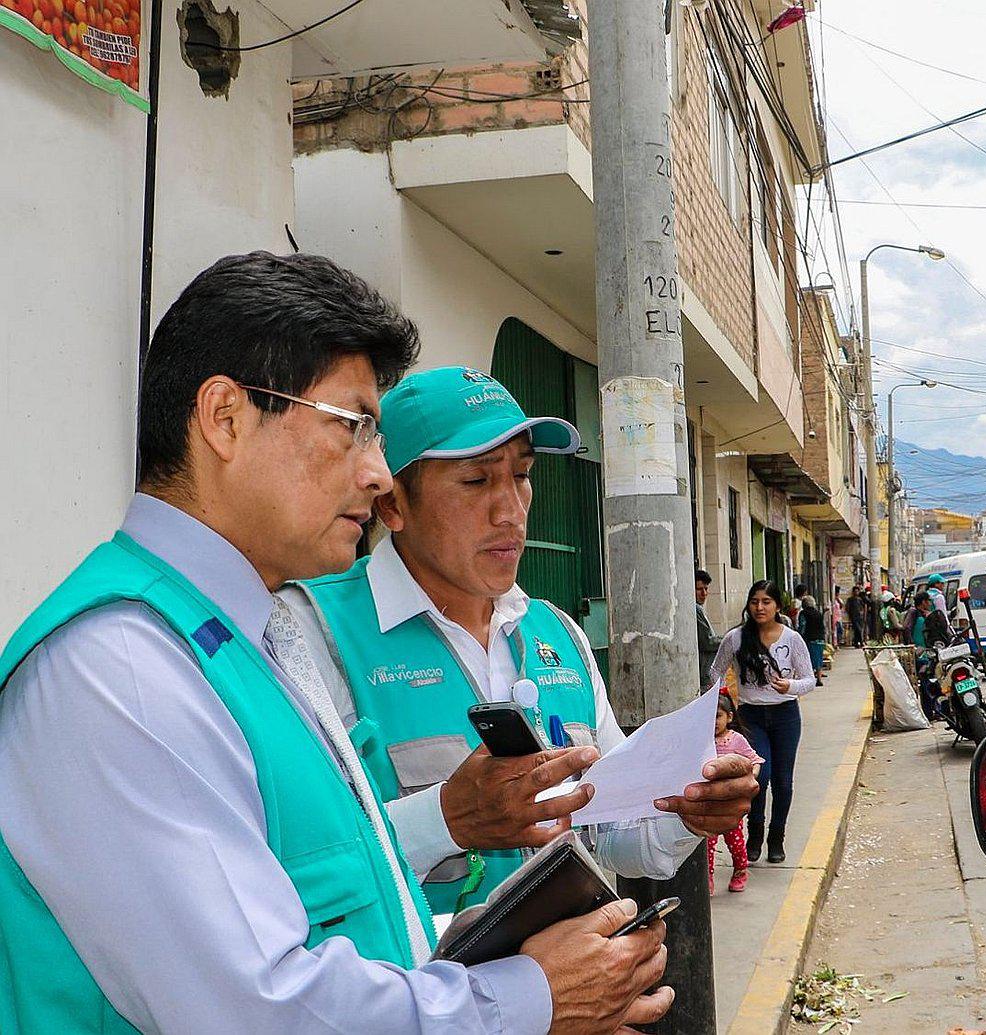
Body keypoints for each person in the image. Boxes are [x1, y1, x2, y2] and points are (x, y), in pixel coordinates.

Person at [0, 253, 669, 1032]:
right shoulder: (122, 669)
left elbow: (357, 920)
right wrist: (528, 999)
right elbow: (256, 1009)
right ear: (225, 418)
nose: (379, 475)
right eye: (354, 428)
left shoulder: (253, 635)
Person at [279, 366, 759, 913]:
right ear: (392, 504)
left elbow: (619, 833)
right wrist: (446, 820)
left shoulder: (558, 635)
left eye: (522, 476)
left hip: (574, 991)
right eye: (477, 481)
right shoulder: (309, 632)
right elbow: (296, 868)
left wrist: (690, 810)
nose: (510, 510)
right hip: (421, 994)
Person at [707, 581, 818, 864]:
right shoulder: (736, 638)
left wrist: (789, 686)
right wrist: (725, 704)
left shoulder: (792, 639)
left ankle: (776, 837)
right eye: (755, 601)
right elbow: (715, 672)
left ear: (778, 606)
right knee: (759, 776)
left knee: (783, 781)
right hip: (750, 717)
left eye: (766, 601)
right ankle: (753, 836)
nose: (760, 607)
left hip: (786, 716)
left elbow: (810, 680)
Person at [706, 693, 764, 894]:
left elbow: (755, 760)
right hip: (709, 803)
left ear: (729, 717)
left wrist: (750, 777)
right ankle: (708, 879)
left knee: (735, 840)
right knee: (708, 844)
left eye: (717, 716)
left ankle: (740, 871)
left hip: (731, 804)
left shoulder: (736, 739)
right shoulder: (703, 740)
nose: (713, 722)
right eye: (709, 717)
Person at [794, 583, 827, 686]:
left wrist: (799, 636)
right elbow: (823, 626)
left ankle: (811, 678)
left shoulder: (803, 614)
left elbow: (802, 626)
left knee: (809, 658)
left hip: (810, 639)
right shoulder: (818, 613)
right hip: (820, 639)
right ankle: (819, 678)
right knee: (818, 658)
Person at [697, 568, 722, 690]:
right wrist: (727, 639)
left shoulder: (699, 609)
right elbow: (708, 642)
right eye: (699, 589)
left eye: (706, 589)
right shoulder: (696, 610)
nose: (704, 593)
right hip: (703, 674)